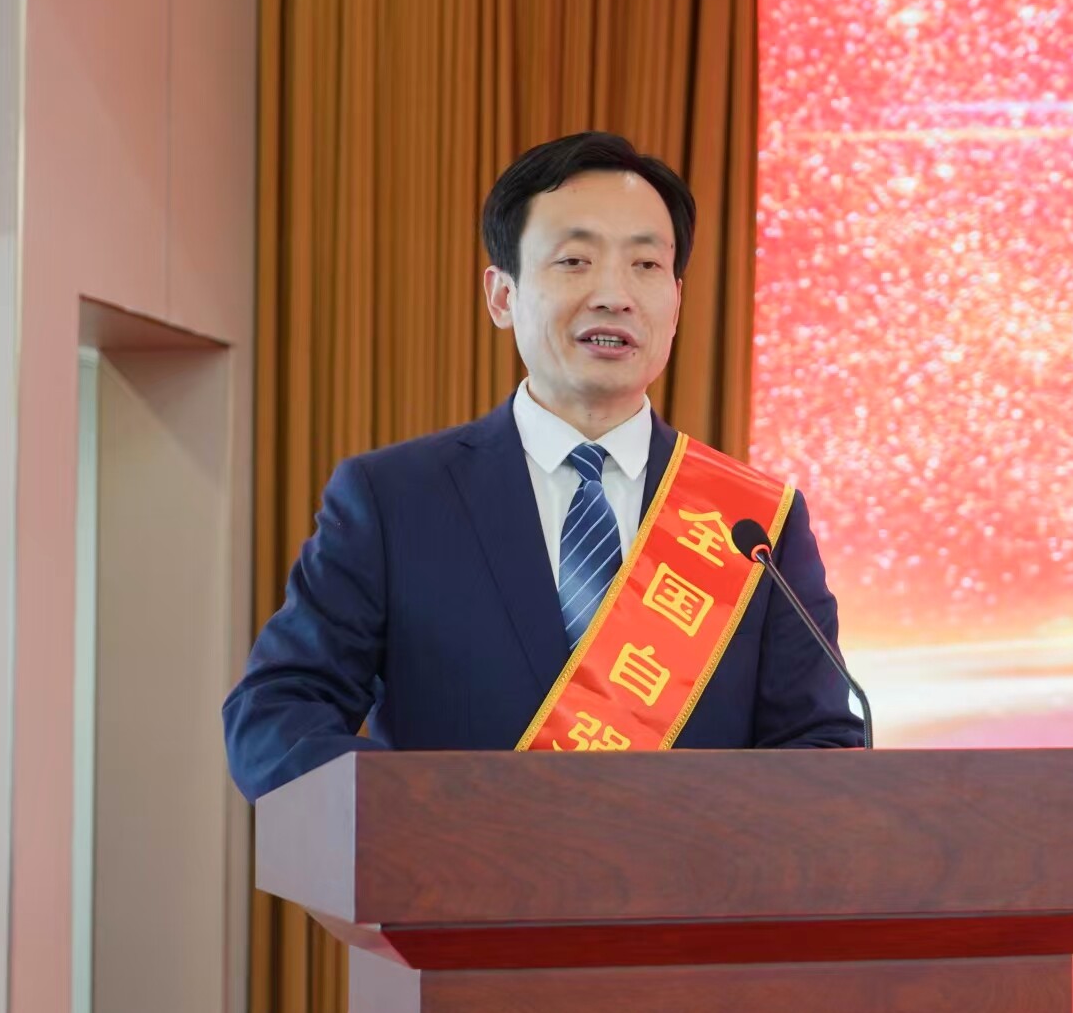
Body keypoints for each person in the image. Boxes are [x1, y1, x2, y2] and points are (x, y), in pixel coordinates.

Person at [223, 131, 862, 805]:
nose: (614, 294)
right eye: (575, 261)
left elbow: (820, 742)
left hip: (689, 874)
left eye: (646, 265)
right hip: (456, 868)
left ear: (676, 300)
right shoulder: (394, 500)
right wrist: (425, 817)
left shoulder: (753, 524)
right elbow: (276, 714)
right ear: (502, 295)